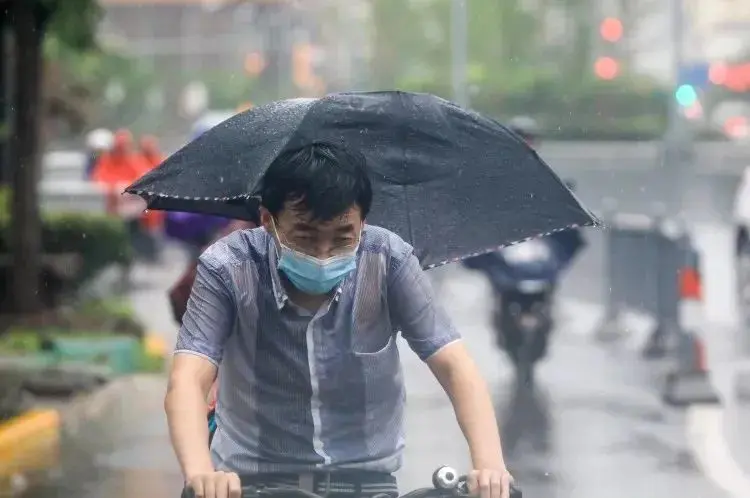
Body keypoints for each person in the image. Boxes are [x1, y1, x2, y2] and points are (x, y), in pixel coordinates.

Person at [166, 142, 512, 498]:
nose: (323, 253)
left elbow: (454, 364)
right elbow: (189, 379)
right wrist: (201, 475)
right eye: (306, 236)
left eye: (342, 238)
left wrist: (490, 466)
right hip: (255, 486)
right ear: (268, 220)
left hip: (369, 486)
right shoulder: (227, 267)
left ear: (363, 222)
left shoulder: (389, 259)